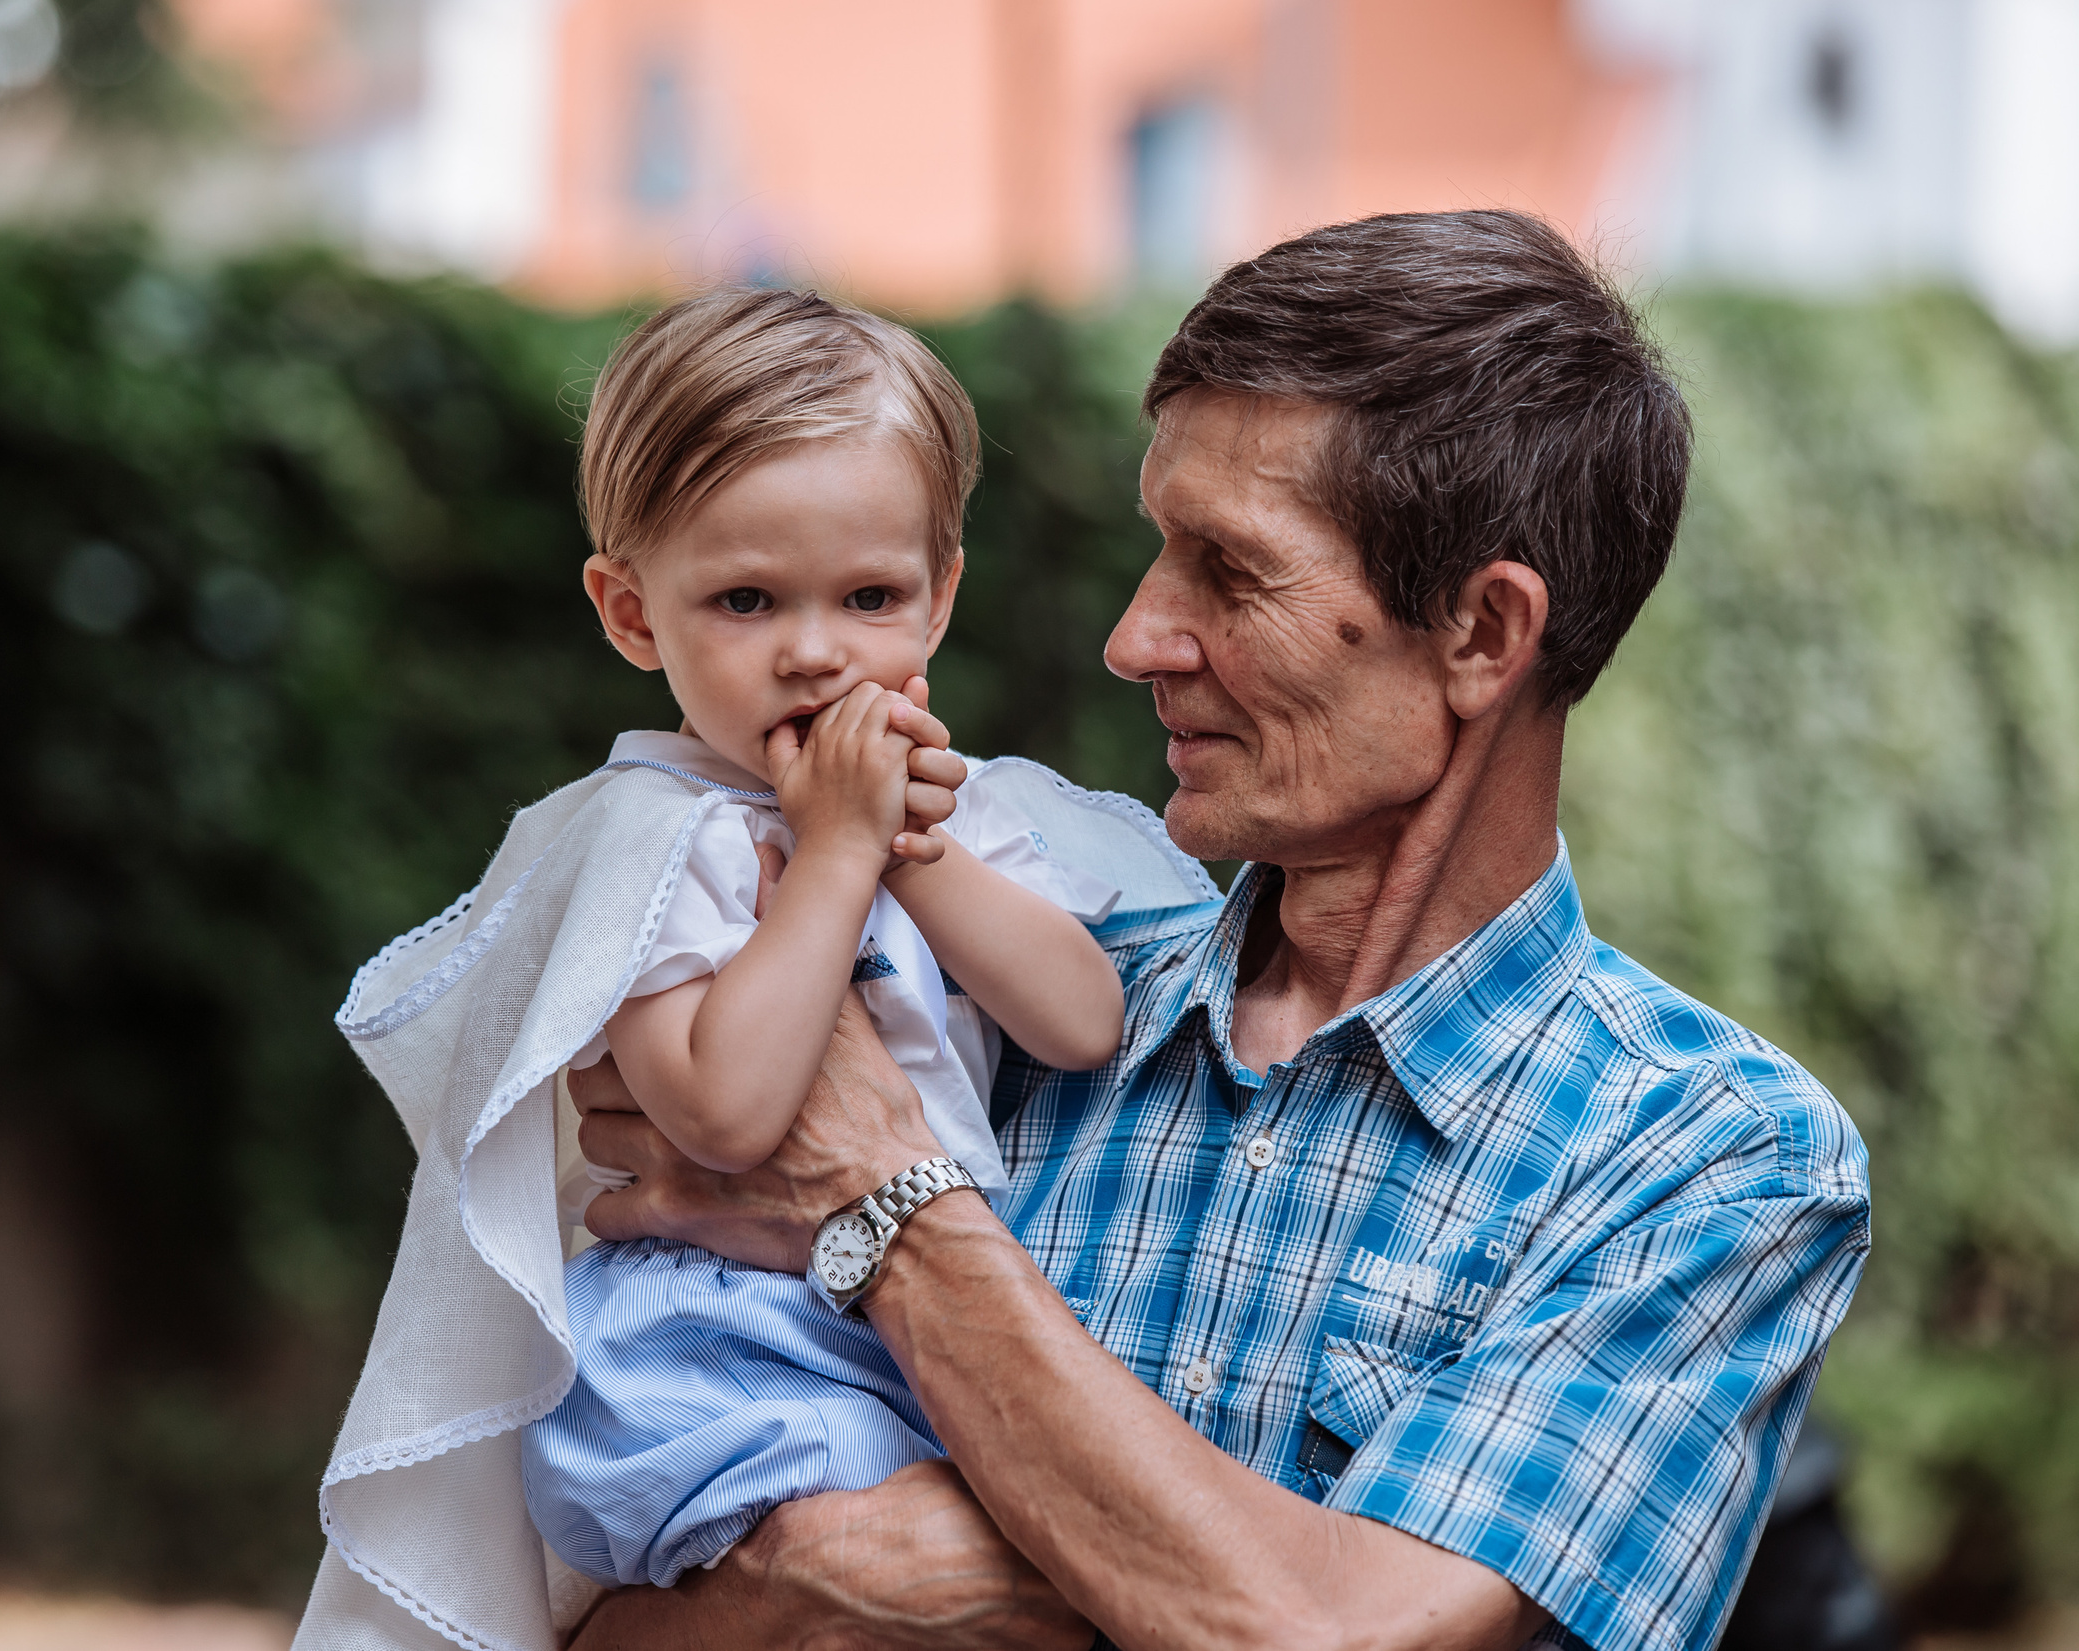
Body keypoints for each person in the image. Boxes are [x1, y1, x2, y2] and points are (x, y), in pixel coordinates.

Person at [562, 211, 1873, 1651]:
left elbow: (1323, 1641)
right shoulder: (990, 1000)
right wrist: (792, 1570)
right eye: (1155, 552)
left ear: (1485, 638)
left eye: (1229, 573)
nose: (1135, 638)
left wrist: (885, 1204)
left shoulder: (1704, 1157)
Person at [294, 288, 1201, 1651]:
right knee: (935, 1585)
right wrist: (832, 863)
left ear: (942, 595)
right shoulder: (655, 844)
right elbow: (720, 1111)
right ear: (630, 612)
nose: (817, 648)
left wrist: (907, 854)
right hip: (718, 1366)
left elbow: (1081, 1020)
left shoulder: (961, 818)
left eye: (872, 596)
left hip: (918, 1334)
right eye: (745, 599)